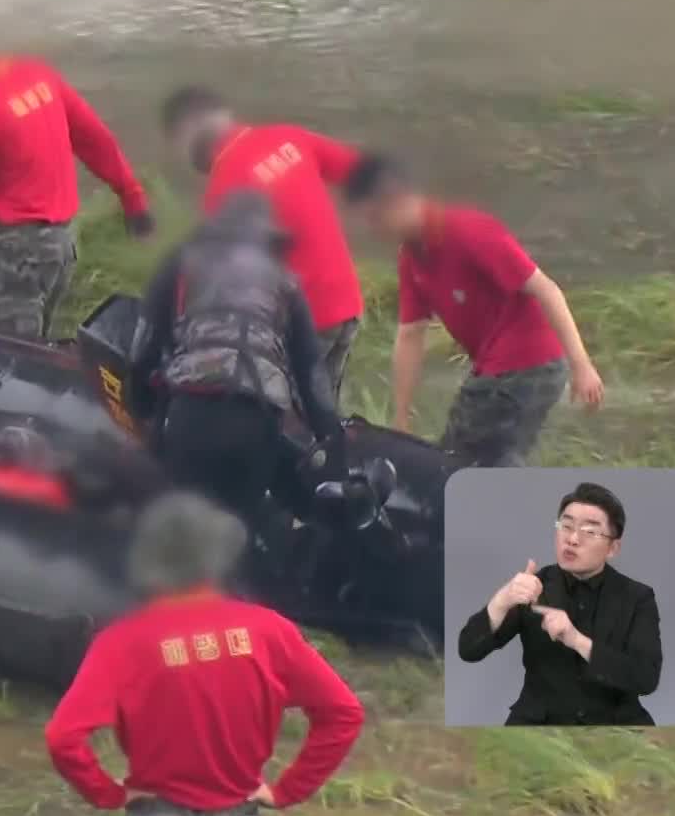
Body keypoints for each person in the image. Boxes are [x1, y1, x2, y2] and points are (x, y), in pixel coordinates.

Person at [46, 492, 365, 816]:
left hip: (158, 813)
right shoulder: (270, 630)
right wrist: (288, 790)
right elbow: (343, 713)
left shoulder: (121, 642)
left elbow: (62, 737)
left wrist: (109, 793)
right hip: (238, 813)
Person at [343, 153, 604, 469]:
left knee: (462, 461)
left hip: (529, 365)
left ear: (397, 201)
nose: (374, 230)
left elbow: (546, 289)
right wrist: (400, 419)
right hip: (494, 370)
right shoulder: (411, 259)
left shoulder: (470, 231)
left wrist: (582, 365)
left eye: (375, 219)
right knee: (476, 460)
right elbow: (410, 335)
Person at [0, 0, 154, 340]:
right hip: (63, 250)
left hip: (20, 257)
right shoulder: (37, 76)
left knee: (6, 362)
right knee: (39, 346)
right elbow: (95, 140)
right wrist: (133, 198)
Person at [126, 190, 343, 517]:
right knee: (234, 538)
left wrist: (140, 406)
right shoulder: (286, 283)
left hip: (192, 412)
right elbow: (312, 376)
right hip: (256, 422)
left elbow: (143, 347)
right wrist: (332, 441)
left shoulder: (183, 261)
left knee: (175, 527)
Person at [161, 87, 362, 395]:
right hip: (347, 303)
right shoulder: (290, 137)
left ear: (191, 132)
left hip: (305, 324)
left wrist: (175, 335)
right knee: (326, 410)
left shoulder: (224, 187)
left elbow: (196, 282)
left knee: (292, 423)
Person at [456, 483, 661, 725]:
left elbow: (645, 679)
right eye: (566, 526)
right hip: (539, 723)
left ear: (613, 548)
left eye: (589, 531)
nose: (572, 539)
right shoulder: (534, 586)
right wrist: (501, 601)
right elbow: (468, 650)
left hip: (614, 724)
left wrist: (577, 641)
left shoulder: (637, 597)